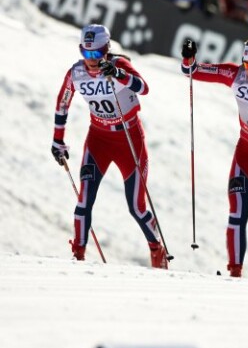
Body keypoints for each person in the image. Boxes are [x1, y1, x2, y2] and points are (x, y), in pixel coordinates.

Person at [51, 24, 168, 268]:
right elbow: (62, 103)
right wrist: (57, 140)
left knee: (136, 207)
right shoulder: (76, 73)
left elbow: (144, 88)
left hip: (129, 139)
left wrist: (118, 74)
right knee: (84, 200)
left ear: (106, 49)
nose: (91, 60)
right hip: (99, 140)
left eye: (96, 53)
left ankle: (157, 249)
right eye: (86, 53)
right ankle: (78, 254)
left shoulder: (119, 64)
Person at [180, 35, 248, 278]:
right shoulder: (236, 74)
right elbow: (191, 71)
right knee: (236, 215)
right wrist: (188, 57)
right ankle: (234, 272)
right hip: (247, 155)